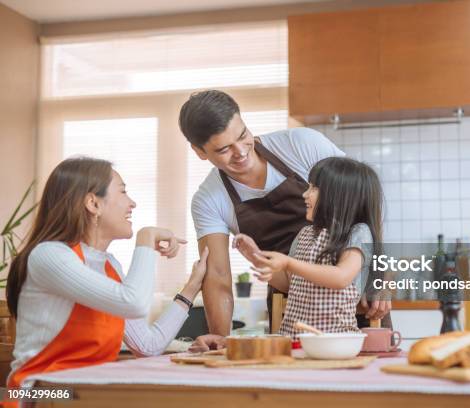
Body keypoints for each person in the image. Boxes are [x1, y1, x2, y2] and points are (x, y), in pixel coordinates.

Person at [179, 90, 391, 343]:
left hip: (357, 297)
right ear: (200, 152)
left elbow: (361, 202)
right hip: (293, 306)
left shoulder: (302, 144)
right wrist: (219, 340)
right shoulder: (208, 199)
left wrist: (381, 276)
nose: (241, 152)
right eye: (224, 149)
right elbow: (218, 276)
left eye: (243, 135)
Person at [5, 157, 222, 388]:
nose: (132, 203)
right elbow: (133, 302)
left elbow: (148, 346)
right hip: (38, 394)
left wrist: (192, 287)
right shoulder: (48, 255)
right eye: (123, 192)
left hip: (85, 393)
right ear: (93, 203)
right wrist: (145, 238)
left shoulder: (109, 266)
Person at [233, 157, 383, 338]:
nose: (305, 194)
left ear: (339, 196)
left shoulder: (358, 232)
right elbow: (290, 283)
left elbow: (341, 277)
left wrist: (288, 263)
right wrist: (257, 257)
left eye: (313, 188)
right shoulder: (305, 233)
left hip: (335, 341)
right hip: (293, 339)